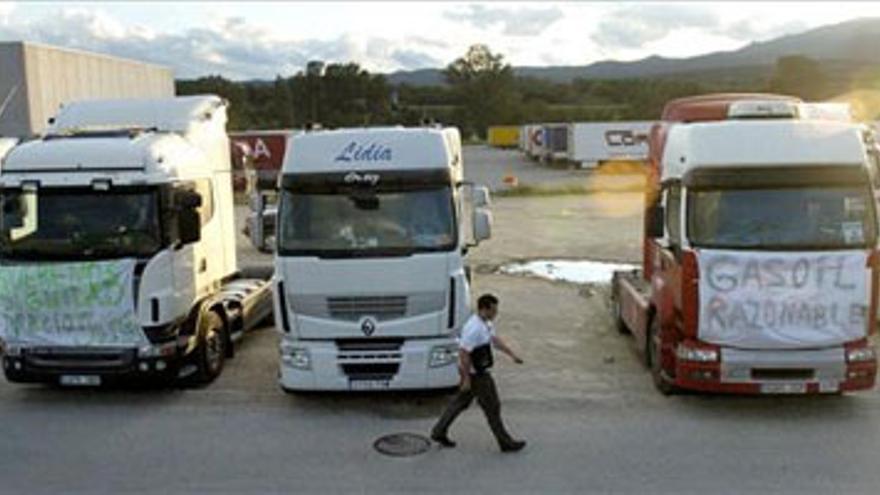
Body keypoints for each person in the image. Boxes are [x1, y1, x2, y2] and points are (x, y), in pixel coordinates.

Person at [430, 293, 527, 453]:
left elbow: (494, 340)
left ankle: (438, 431)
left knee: (460, 402)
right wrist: (466, 379)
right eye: (494, 311)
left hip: (477, 371)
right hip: (478, 375)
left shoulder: (486, 323)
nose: (496, 314)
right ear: (484, 309)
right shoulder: (473, 328)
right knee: (492, 407)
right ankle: (505, 443)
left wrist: (511, 354)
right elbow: (463, 354)